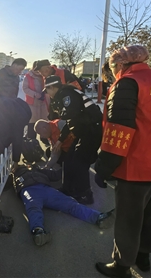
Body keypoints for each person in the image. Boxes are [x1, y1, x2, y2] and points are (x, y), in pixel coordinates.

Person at [94, 45, 151, 277]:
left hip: (138, 166)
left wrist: (103, 167)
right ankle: (143, 257)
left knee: (129, 220)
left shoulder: (127, 84)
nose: (113, 73)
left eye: (113, 68)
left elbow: (119, 130)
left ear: (120, 65)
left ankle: (122, 266)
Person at [13, 165, 115, 246]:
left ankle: (98, 217)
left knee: (69, 203)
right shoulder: (14, 176)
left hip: (44, 189)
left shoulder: (38, 170)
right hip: (30, 190)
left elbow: (55, 175)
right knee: (33, 208)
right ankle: (38, 231)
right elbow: (1, 184)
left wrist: (69, 164)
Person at [44, 75, 102, 205]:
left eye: (47, 90)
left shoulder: (67, 94)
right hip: (84, 129)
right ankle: (68, 189)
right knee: (69, 159)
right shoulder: (65, 94)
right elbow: (71, 122)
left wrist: (59, 114)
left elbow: (71, 115)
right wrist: (60, 140)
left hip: (91, 129)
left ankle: (85, 194)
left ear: (52, 87)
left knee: (80, 161)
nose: (47, 94)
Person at [23, 61, 49, 139]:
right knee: (32, 122)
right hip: (32, 103)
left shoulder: (44, 75)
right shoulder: (28, 76)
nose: (38, 71)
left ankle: (44, 137)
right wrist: (35, 94)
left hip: (44, 102)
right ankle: (31, 139)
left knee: (44, 121)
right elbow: (25, 88)